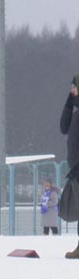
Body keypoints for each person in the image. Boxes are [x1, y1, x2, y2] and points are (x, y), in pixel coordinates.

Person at [58, 74, 79, 258]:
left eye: (74, 87)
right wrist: (69, 101)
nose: (72, 90)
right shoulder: (76, 112)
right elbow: (63, 127)